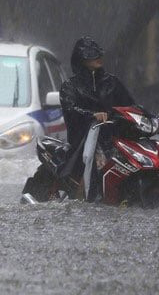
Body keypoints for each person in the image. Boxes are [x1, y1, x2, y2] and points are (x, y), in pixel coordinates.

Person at [59, 36, 137, 200]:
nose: (98, 58)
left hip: (115, 138)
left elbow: (130, 105)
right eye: (92, 55)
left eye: (98, 54)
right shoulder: (70, 86)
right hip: (84, 143)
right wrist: (92, 115)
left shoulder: (112, 83)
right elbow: (70, 109)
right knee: (92, 174)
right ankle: (88, 197)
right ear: (82, 60)